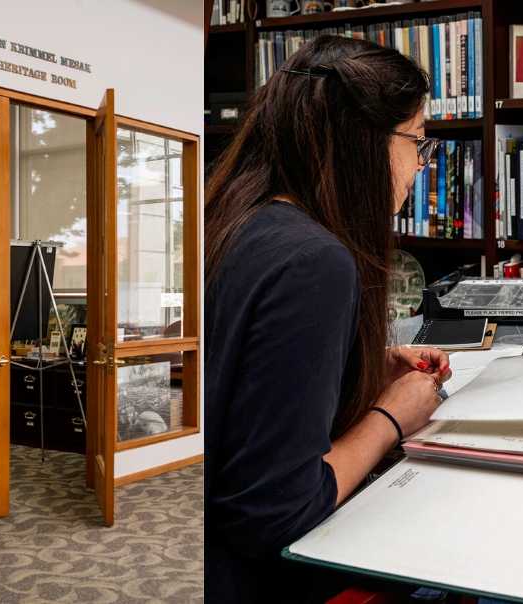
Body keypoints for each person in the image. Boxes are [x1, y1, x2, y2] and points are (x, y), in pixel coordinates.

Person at [202, 35, 453, 602]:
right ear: (363, 141)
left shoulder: (233, 218)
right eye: (417, 141)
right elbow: (274, 511)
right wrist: (392, 416)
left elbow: (236, 377)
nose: (421, 164)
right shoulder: (315, 262)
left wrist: (354, 368)